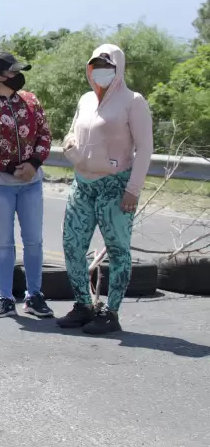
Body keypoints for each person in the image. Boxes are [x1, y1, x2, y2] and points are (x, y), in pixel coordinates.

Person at [57, 44, 153, 335]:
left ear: (118, 69)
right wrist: (71, 147)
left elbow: (145, 149)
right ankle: (83, 305)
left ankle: (111, 312)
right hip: (83, 184)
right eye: (95, 65)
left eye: (107, 66)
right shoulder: (86, 99)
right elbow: (74, 131)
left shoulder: (132, 102)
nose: (100, 71)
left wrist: (132, 190)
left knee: (118, 250)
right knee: (72, 246)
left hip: (116, 186)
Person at [0, 52, 53, 319]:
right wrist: (10, 169)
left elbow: (45, 135)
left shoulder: (30, 101)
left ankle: (34, 296)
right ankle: (5, 297)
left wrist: (34, 164)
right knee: (3, 242)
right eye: (13, 72)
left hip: (31, 182)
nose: (18, 76)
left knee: (34, 241)